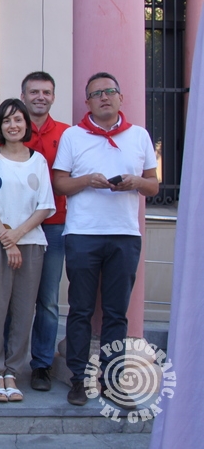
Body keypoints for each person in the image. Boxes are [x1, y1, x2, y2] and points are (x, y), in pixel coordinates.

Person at [53, 72, 158, 408]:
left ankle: (113, 381)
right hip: (83, 234)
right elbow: (60, 184)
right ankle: (78, 379)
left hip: (124, 235)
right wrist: (88, 180)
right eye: (97, 93)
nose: (104, 97)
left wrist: (135, 182)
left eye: (110, 91)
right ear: (87, 102)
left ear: (121, 98)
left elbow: (154, 185)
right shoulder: (73, 136)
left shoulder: (139, 136)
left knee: (116, 313)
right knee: (81, 310)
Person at [0, 72, 70, 392]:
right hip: (10, 231)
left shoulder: (66, 134)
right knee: (9, 300)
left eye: (46, 92)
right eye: (34, 92)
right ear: (23, 96)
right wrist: (9, 234)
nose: (40, 97)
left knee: (47, 300)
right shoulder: (2, 139)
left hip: (52, 225)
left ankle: (41, 365)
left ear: (53, 96)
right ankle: (6, 366)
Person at [0, 98, 55, 403]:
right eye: (7, 120)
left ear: (26, 125)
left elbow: (45, 206)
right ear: (0, 125)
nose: (13, 125)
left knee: (24, 311)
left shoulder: (38, 161)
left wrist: (17, 237)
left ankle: (13, 372)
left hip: (31, 244)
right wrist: (7, 240)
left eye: (18, 120)